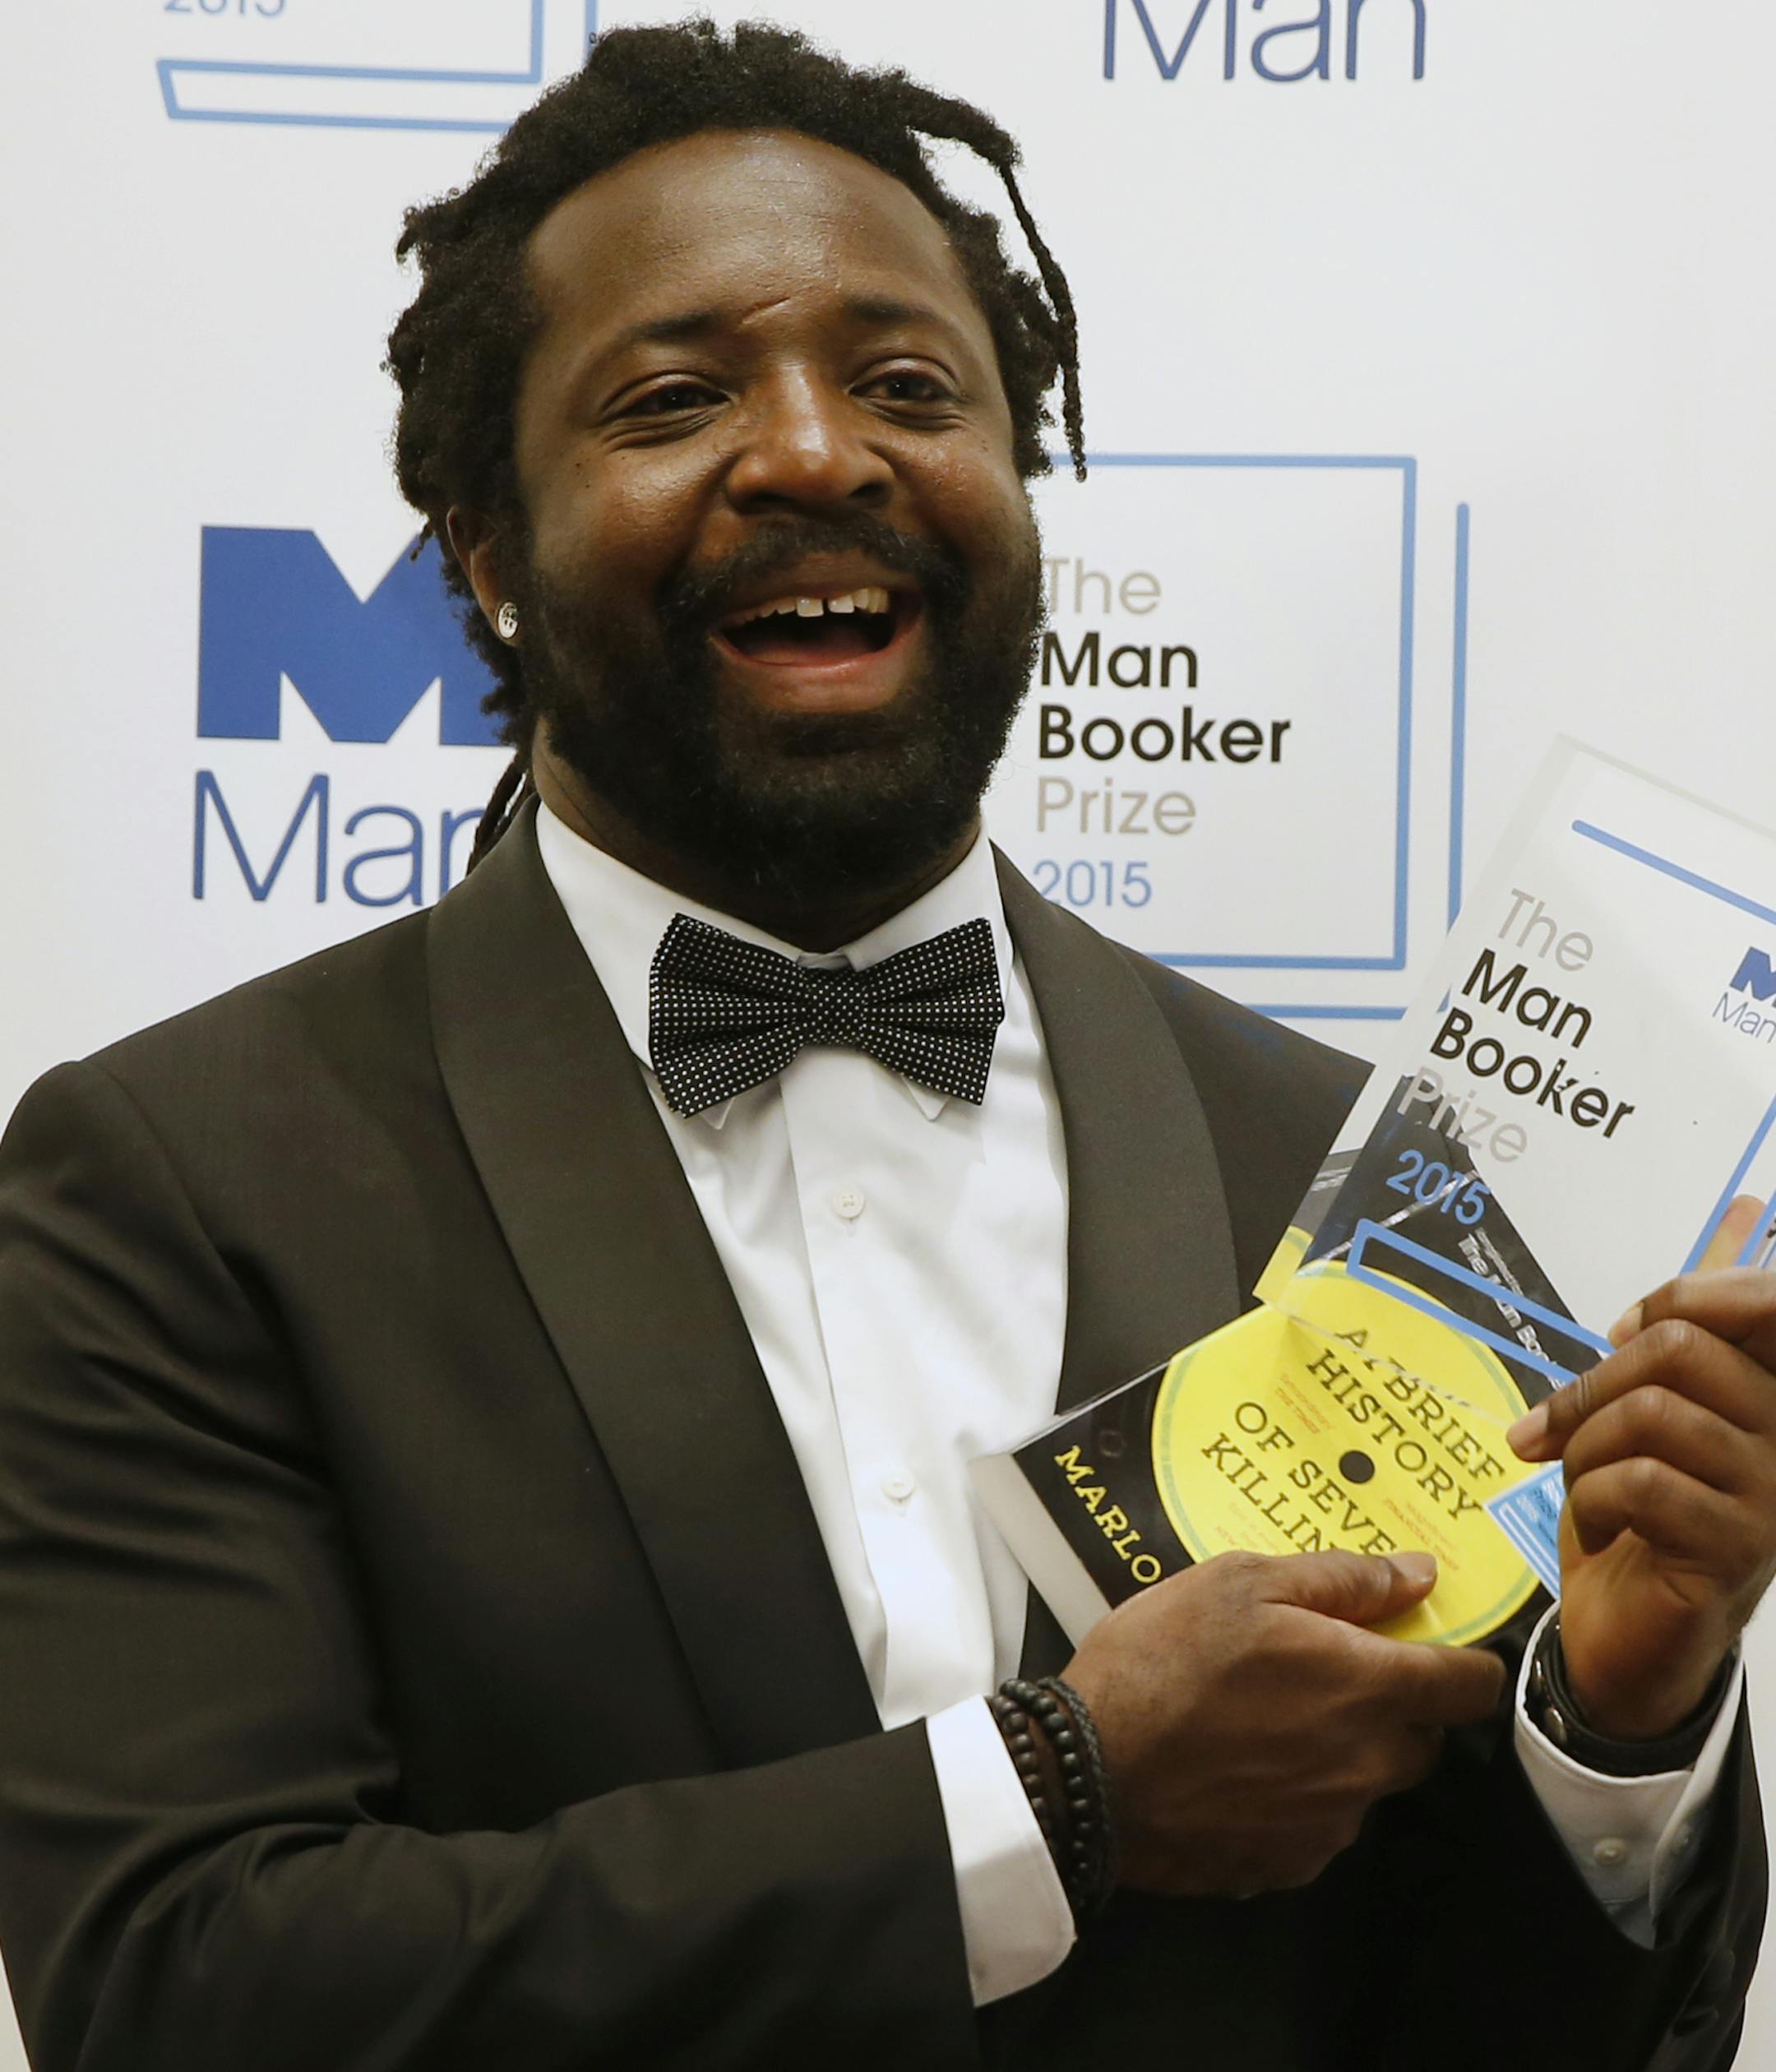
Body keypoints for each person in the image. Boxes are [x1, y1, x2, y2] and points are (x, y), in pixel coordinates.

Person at [0, 20, 1768, 2070]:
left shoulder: (1345, 1171)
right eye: (674, 397)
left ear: (1018, 480)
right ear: (486, 549)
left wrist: (1615, 1733)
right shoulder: (189, 1180)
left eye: (910, 385)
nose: (819, 453)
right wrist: (1054, 1794)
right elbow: (179, 1982)